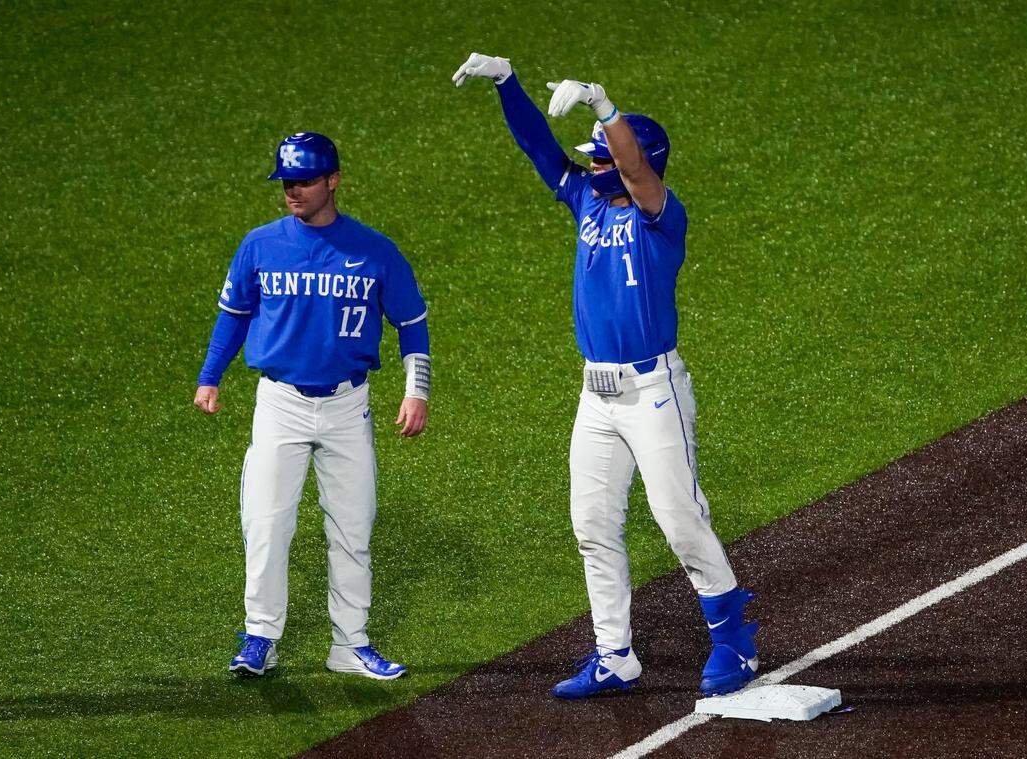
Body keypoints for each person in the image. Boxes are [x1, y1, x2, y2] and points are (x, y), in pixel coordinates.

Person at [453, 54, 759, 699]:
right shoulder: (586, 202)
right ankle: (615, 655)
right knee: (592, 524)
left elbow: (635, 169)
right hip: (597, 396)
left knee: (679, 517)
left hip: (655, 392)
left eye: (601, 157)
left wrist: (603, 106)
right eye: (591, 158)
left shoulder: (659, 216)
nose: (591, 167)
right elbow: (540, 149)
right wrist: (508, 85)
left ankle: (734, 638)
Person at [193, 132, 431, 679]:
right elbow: (233, 314)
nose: (291, 192)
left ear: (333, 181)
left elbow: (412, 325)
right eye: (286, 183)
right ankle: (259, 637)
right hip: (279, 405)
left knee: (352, 529)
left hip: (349, 407)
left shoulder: (375, 250)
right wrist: (210, 378)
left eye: (302, 182)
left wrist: (417, 390)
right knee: (267, 523)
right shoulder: (260, 244)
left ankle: (350, 646)